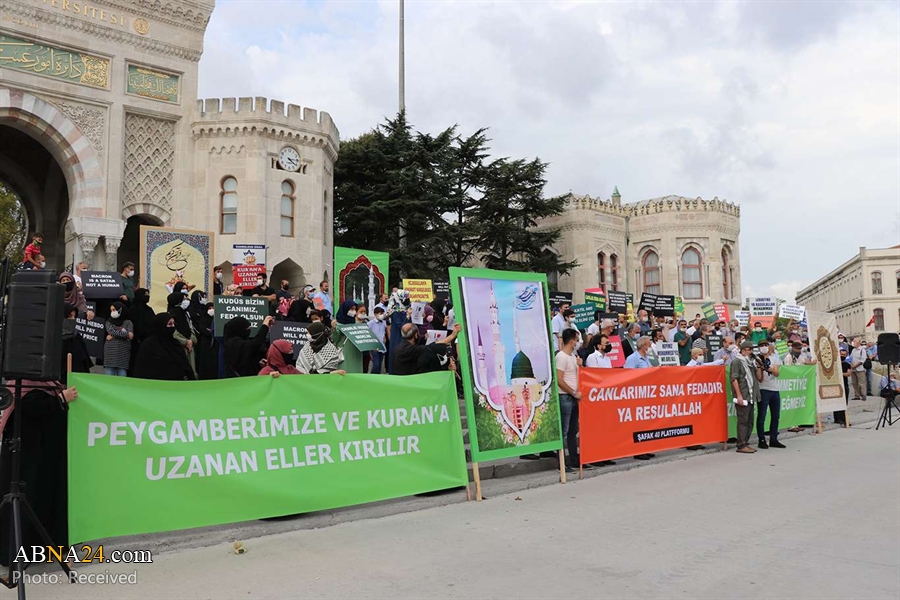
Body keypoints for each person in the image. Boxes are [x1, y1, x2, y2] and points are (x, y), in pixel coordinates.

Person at [0, 380, 77, 569]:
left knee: (45, 501)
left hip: (43, 462)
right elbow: (31, 410)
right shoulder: (22, 388)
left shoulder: (48, 385)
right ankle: (19, 553)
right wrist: (60, 399)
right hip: (27, 464)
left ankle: (45, 550)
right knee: (28, 502)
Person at [133, 313, 197, 380]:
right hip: (156, 386)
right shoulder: (148, 345)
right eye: (169, 324)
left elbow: (186, 367)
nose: (173, 326)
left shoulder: (175, 344)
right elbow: (142, 369)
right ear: (160, 325)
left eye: (173, 324)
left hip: (177, 385)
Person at [556, 328, 582, 473]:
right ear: (571, 341)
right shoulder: (561, 357)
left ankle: (574, 459)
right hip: (565, 396)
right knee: (564, 431)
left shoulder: (573, 356)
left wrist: (580, 365)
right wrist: (572, 392)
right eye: (577, 340)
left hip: (573, 397)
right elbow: (559, 379)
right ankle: (561, 462)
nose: (578, 343)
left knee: (573, 430)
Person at [392, 322, 461, 375]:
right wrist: (452, 335)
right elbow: (432, 346)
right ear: (416, 335)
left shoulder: (398, 348)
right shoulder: (412, 350)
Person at [731, 340, 761, 453]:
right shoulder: (737, 362)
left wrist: (758, 366)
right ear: (743, 351)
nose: (751, 352)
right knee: (743, 421)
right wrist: (739, 395)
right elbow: (734, 379)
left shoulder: (751, 363)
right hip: (743, 395)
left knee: (750, 421)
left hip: (751, 395)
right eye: (749, 350)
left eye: (752, 349)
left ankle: (745, 442)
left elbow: (758, 377)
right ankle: (741, 444)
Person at [756, 340, 785, 449]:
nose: (764, 347)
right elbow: (759, 378)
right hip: (763, 389)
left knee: (775, 416)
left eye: (765, 345)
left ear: (769, 347)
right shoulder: (757, 359)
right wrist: (760, 367)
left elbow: (777, 373)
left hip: (774, 389)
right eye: (761, 346)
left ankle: (774, 439)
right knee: (762, 416)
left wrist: (769, 368)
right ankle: (761, 439)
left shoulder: (775, 358)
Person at [167, 291, 197, 377]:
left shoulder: (185, 314)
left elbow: (190, 327)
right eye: (183, 299)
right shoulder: (170, 315)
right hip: (178, 346)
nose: (186, 301)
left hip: (189, 345)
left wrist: (191, 340)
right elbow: (173, 332)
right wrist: (185, 341)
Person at [128, 288, 155, 375]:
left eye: (148, 294)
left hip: (148, 341)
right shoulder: (132, 309)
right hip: (134, 342)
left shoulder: (149, 310)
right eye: (145, 294)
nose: (147, 296)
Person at [103, 301, 133, 376]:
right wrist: (126, 334)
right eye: (111, 310)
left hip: (123, 353)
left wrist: (114, 335)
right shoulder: (109, 322)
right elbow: (112, 331)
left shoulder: (128, 322)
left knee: (122, 376)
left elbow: (131, 336)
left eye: (114, 310)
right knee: (109, 377)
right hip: (110, 353)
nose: (112, 312)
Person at [192, 296, 219, 380]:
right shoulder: (203, 319)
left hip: (215, 344)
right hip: (206, 344)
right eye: (210, 308)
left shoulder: (217, 319)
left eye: (213, 308)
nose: (211, 310)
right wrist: (211, 331)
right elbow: (204, 330)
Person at [387, 290, 412, 374]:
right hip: (398, 339)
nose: (408, 299)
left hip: (407, 339)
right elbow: (400, 327)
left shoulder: (406, 310)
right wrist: (408, 316)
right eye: (406, 297)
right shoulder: (395, 312)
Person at [368, 306, 388, 374]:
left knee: (379, 365)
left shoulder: (383, 323)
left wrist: (384, 337)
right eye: (380, 313)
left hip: (382, 346)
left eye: (382, 313)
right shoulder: (371, 323)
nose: (382, 315)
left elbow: (384, 332)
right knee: (375, 365)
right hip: (374, 347)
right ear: (375, 314)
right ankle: (372, 378)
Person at [835, 347, 852, 425]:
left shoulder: (847, 364)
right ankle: (837, 418)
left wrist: (840, 374)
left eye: (844, 355)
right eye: (842, 354)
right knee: (837, 402)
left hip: (845, 385)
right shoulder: (835, 364)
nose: (843, 356)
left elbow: (848, 374)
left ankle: (843, 418)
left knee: (844, 402)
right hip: (837, 385)